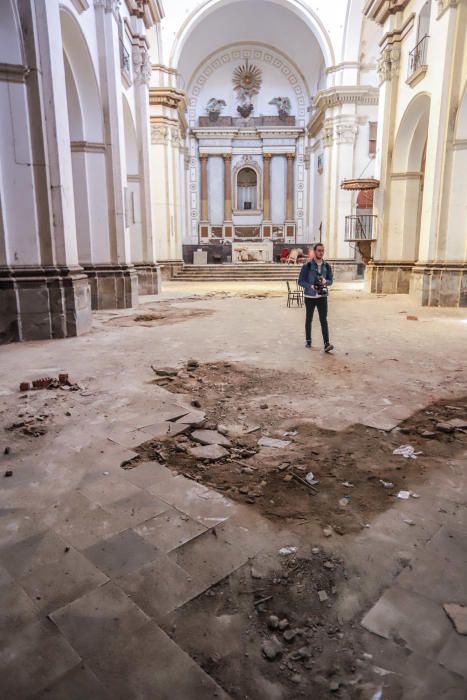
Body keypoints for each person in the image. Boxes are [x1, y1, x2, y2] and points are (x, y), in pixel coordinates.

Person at [298, 242, 334, 352]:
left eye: (322, 250)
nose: (321, 252)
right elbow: (300, 281)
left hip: (322, 296)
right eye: (319, 250)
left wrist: (325, 281)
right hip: (310, 296)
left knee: (324, 320)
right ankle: (308, 340)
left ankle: (326, 343)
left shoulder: (327, 266)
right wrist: (310, 286)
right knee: (309, 319)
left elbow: (331, 281)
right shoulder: (307, 266)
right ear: (314, 252)